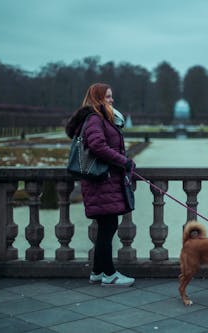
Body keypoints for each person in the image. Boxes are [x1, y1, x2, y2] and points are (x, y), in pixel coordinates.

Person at [65, 83, 135, 287]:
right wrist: (124, 162)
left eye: (111, 97)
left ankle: (97, 272)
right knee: (108, 227)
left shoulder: (98, 118)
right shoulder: (95, 118)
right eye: (108, 97)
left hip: (103, 181)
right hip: (101, 181)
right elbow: (97, 145)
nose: (112, 100)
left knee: (106, 227)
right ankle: (110, 274)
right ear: (97, 99)